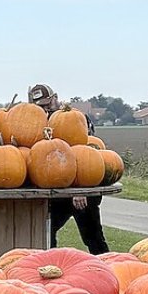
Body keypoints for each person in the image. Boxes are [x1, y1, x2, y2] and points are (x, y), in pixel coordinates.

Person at [30, 83, 108, 254]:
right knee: (47, 233)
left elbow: (86, 155)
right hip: (60, 190)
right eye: (40, 107)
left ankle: (108, 269)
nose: (45, 109)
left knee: (92, 236)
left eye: (47, 104)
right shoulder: (40, 124)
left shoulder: (76, 119)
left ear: (55, 98)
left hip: (82, 188)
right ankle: (51, 266)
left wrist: (80, 189)